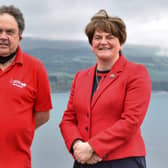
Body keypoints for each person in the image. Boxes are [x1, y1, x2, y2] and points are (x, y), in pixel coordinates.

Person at [60, 9, 151, 168]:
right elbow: (68, 119)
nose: (103, 42)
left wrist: (93, 147)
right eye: (98, 38)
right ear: (91, 44)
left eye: (110, 37)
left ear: (121, 42)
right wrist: (77, 145)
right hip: (83, 160)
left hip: (123, 162)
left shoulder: (136, 73)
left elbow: (131, 121)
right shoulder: (80, 77)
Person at [0, 5, 52, 167]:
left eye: (10, 32)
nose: (3, 36)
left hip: (17, 162)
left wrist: (20, 128)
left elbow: (43, 114)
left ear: (20, 36)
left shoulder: (35, 68)